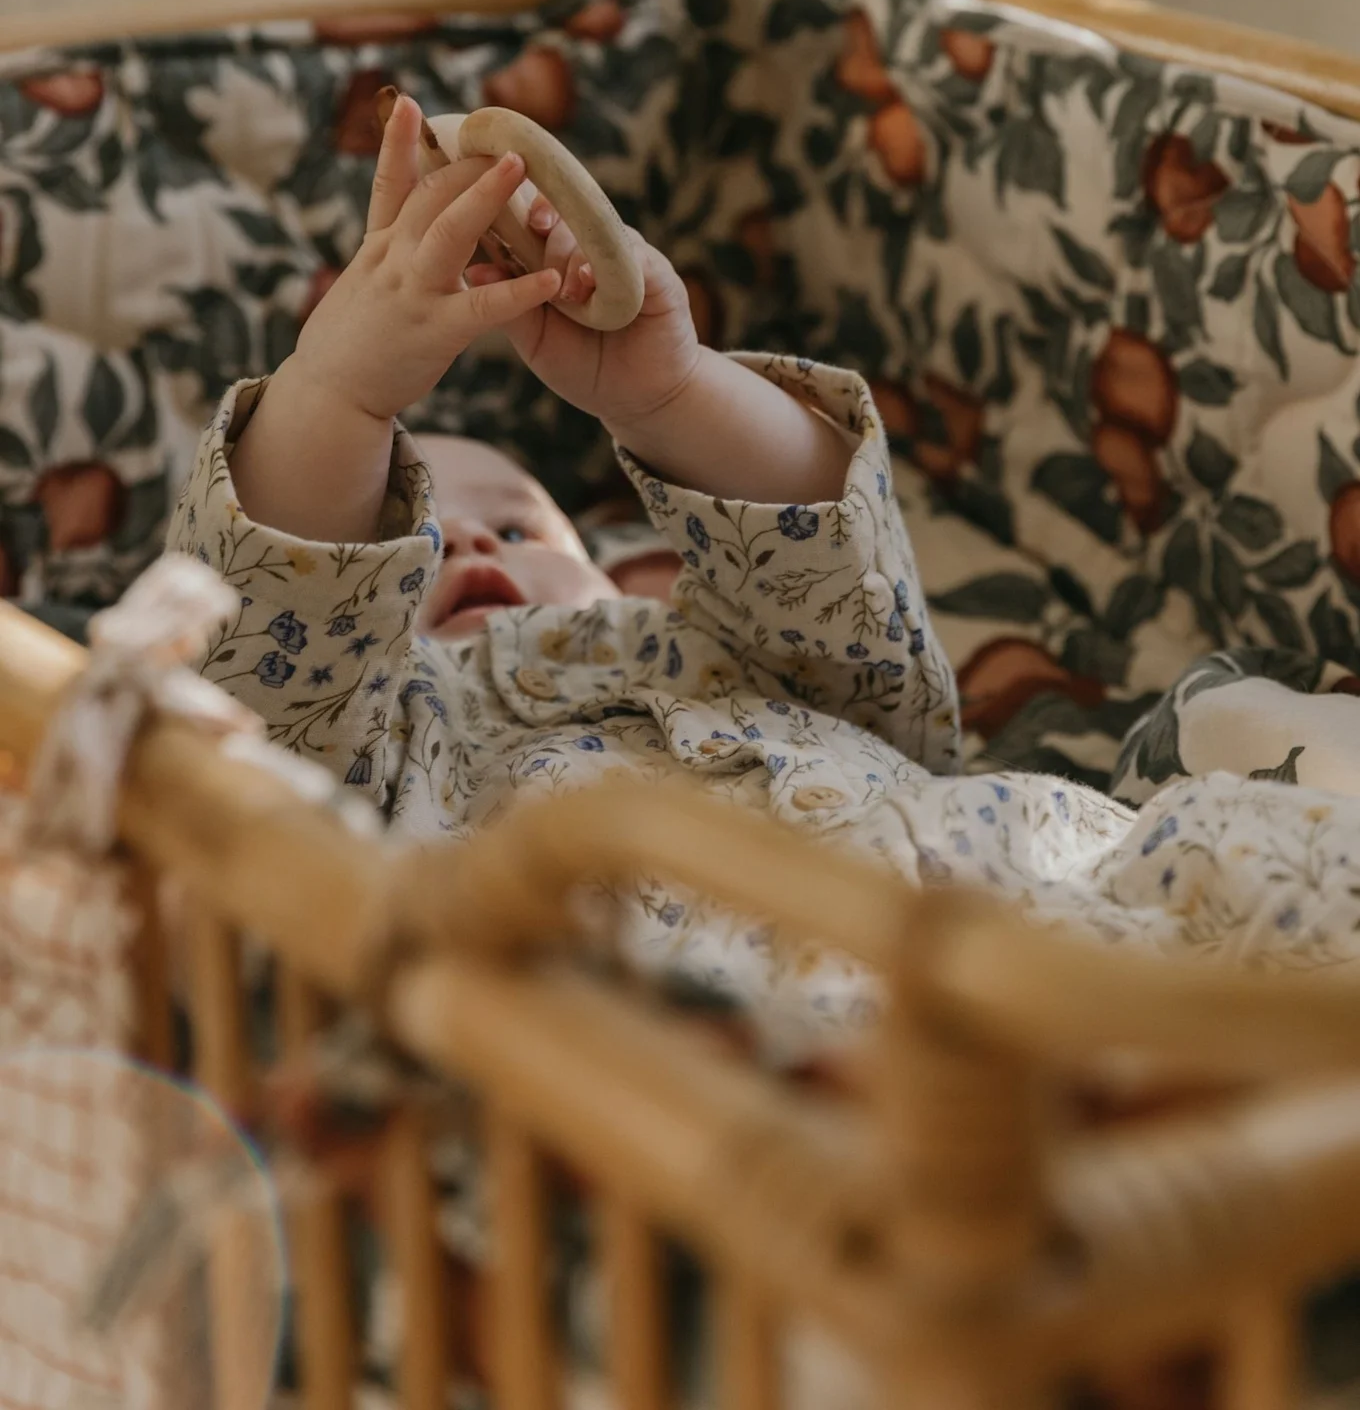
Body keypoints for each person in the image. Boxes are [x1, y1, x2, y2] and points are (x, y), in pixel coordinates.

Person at [169, 95, 1360, 1045]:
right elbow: (270, 636)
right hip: (760, 1018)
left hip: (1017, 889)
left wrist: (673, 392)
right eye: (412, 534)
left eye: (519, 524)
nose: (472, 542)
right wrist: (340, 390)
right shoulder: (371, 749)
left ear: (611, 562)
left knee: (1245, 830)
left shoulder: (691, 640)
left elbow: (853, 634)